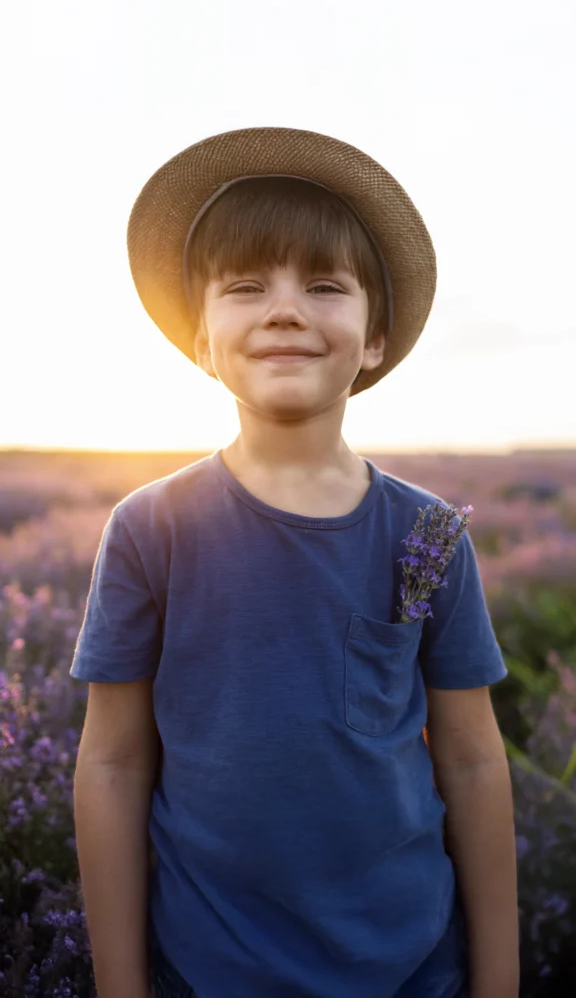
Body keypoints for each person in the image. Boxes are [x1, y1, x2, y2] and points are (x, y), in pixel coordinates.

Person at [71, 127, 519, 998]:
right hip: (209, 972)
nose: (284, 309)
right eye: (246, 287)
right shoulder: (148, 528)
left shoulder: (427, 535)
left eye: (323, 285)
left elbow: (470, 760)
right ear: (200, 341)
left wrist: (497, 982)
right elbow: (114, 764)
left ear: (376, 338)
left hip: (410, 970)